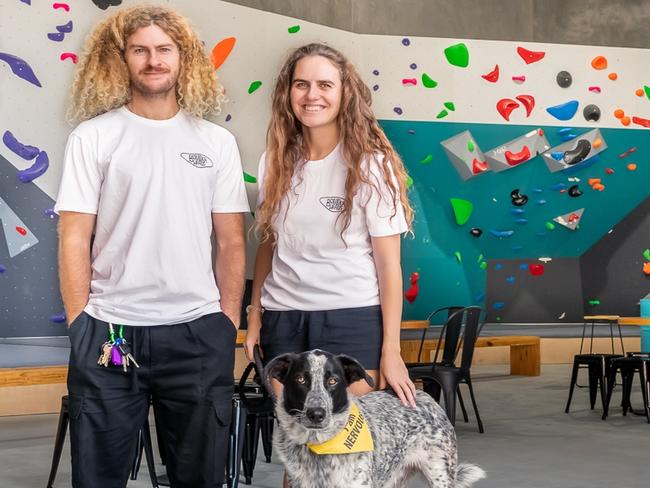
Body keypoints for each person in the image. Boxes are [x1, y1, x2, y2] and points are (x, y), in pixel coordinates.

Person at [55, 5, 249, 487]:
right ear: (120, 59)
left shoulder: (216, 143)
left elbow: (230, 242)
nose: (153, 60)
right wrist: (82, 324)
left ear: (184, 59)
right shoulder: (93, 137)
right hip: (111, 333)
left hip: (198, 335)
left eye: (164, 50)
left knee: (200, 477)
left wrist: (227, 321)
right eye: (139, 50)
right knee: (97, 477)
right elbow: (74, 236)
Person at [244, 43, 417, 408]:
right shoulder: (274, 162)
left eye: (325, 85)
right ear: (288, 93)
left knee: (350, 447)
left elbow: (389, 266)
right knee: (297, 448)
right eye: (301, 84)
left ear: (344, 94)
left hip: (352, 317)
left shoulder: (372, 166)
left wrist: (392, 349)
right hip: (283, 319)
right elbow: (269, 246)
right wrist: (255, 314)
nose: (312, 95)